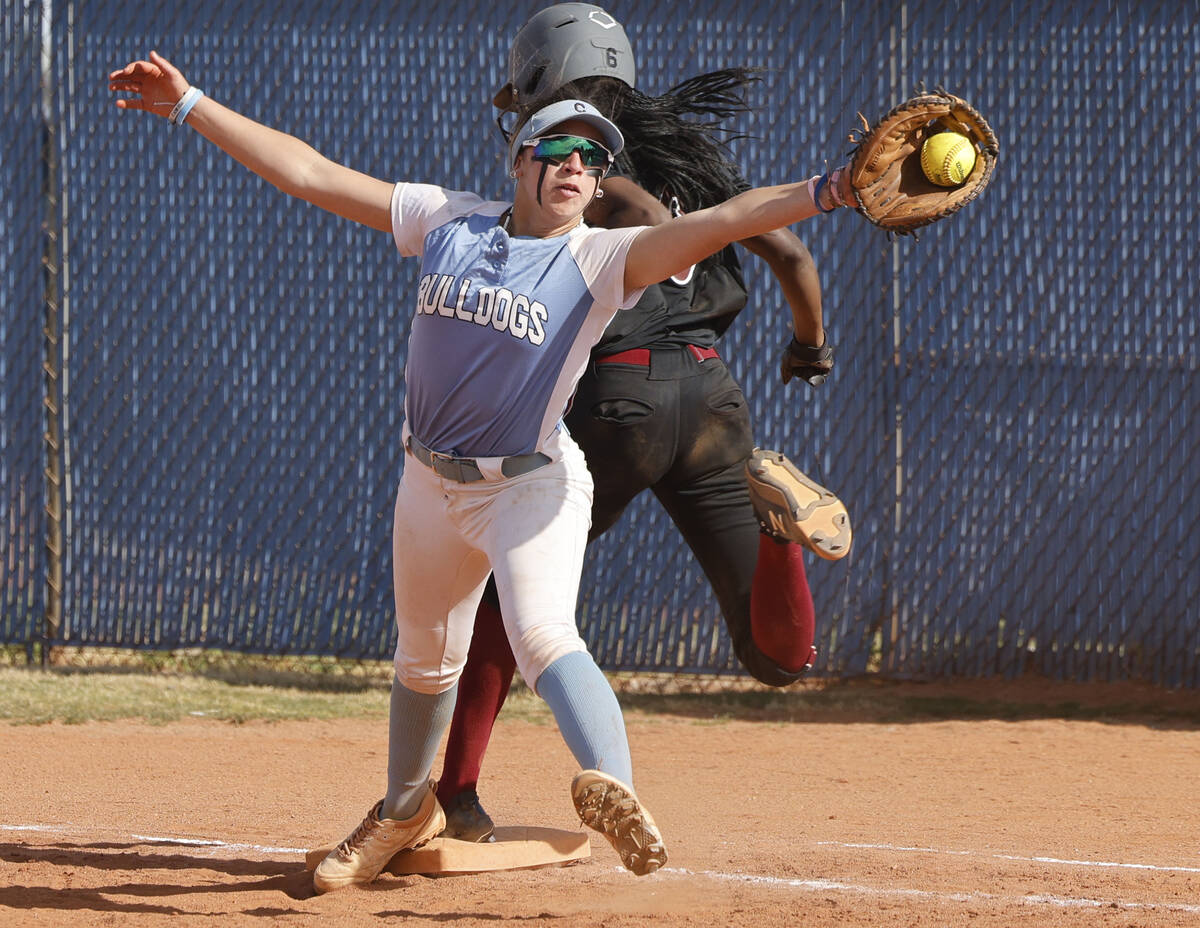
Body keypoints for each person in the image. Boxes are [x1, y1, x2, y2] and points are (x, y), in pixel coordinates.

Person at [107, 48, 855, 892]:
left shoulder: (602, 261)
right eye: (557, 150)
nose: (577, 165)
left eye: (592, 157)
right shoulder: (446, 220)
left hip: (531, 485)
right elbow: (309, 173)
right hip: (429, 485)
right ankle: (400, 814)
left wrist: (832, 188)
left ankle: (617, 789)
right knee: (424, 662)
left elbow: (730, 220)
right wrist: (189, 103)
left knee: (542, 635)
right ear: (519, 161)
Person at [436, 2, 852, 843]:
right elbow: (795, 257)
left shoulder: (582, 171)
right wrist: (809, 349)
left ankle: (458, 793)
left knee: (508, 599)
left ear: (544, 77)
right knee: (778, 660)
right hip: (712, 398)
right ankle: (781, 535)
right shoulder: (695, 162)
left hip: (612, 405)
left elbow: (632, 221)